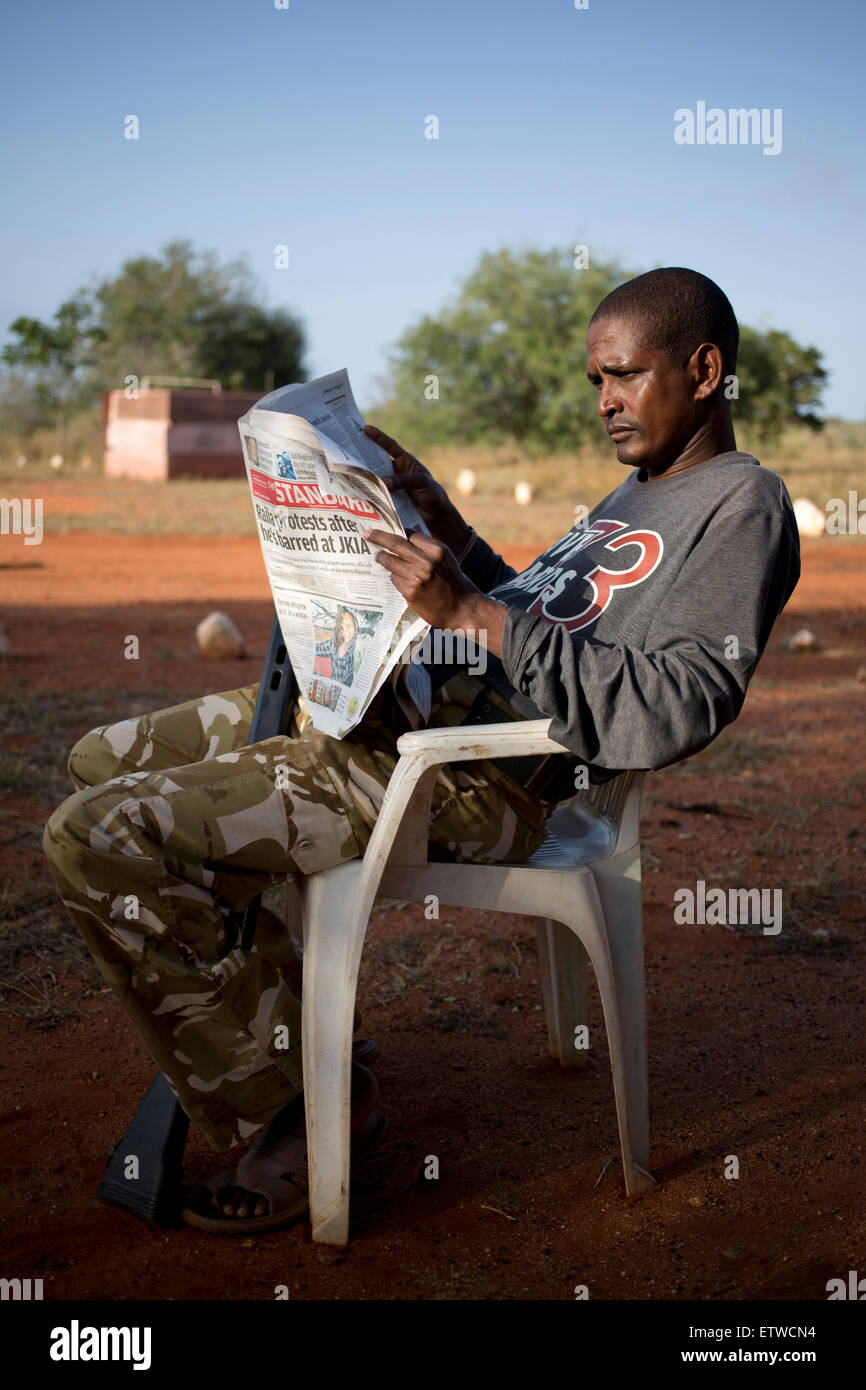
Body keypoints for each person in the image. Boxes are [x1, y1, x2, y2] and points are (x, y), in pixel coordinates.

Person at [43, 268, 800, 1235]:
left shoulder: (742, 505)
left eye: (624, 377)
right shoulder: (640, 488)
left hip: (485, 779)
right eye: (595, 382)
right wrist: (439, 520)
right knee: (101, 761)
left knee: (95, 836)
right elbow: (535, 612)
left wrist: (473, 616)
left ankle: (297, 1103)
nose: (604, 402)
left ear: (703, 370)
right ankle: (281, 1027)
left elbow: (681, 702)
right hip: (407, 711)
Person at [313, 605, 360, 686]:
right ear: (339, 628)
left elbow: (350, 677)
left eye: (350, 625)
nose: (346, 629)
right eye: (343, 625)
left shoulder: (355, 649)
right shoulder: (332, 646)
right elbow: (313, 649)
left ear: (355, 628)